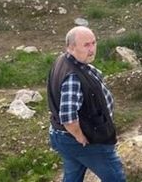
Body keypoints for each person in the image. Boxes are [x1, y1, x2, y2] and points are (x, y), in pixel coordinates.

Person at [47, 27, 125, 182]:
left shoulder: (64, 60)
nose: (92, 49)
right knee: (115, 177)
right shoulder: (73, 77)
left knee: (73, 175)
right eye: (86, 45)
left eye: (93, 43)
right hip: (83, 140)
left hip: (61, 135)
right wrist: (80, 137)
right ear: (70, 47)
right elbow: (68, 118)